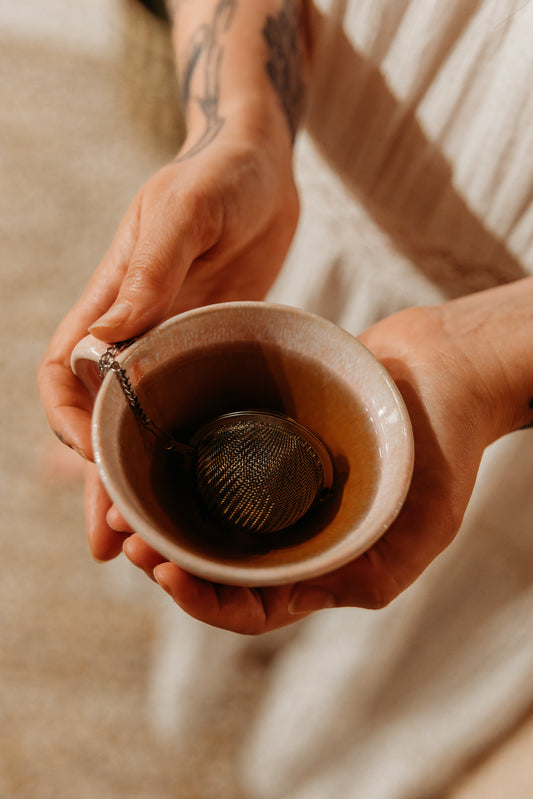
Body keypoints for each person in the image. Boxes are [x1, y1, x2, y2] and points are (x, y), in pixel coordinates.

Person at [38, 0, 533, 795]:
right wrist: (236, 123)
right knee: (188, 547)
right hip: (304, 194)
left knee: (397, 614)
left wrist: (496, 357)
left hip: (497, 380)